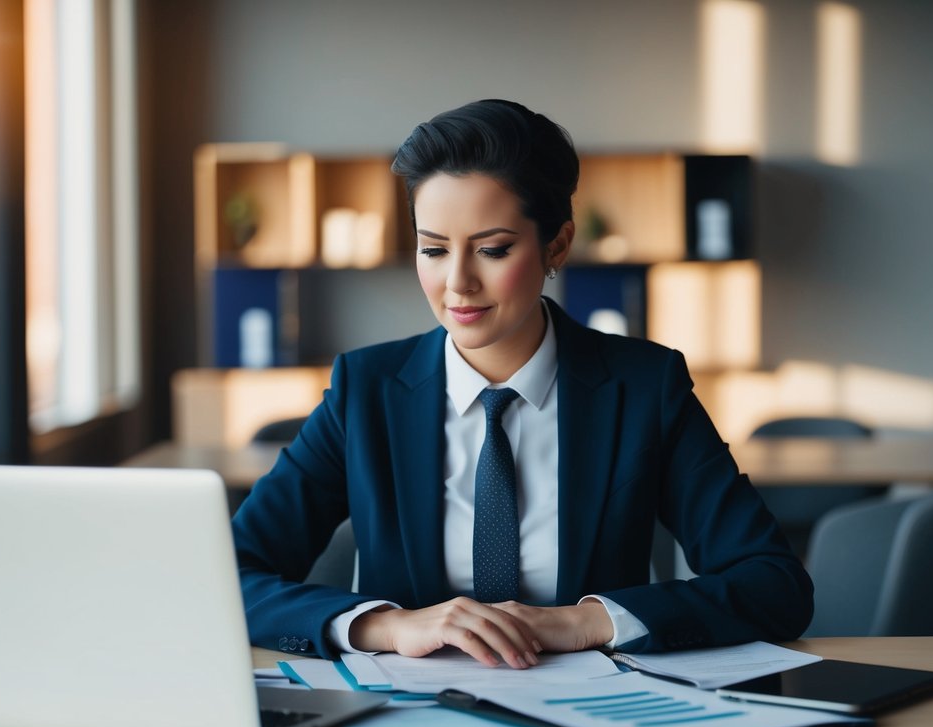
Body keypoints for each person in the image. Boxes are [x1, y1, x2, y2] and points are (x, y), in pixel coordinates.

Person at [234, 99, 812, 668]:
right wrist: (386, 625)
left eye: (492, 249)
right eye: (433, 249)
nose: (457, 282)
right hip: (411, 716)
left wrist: (584, 622)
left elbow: (774, 584)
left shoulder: (643, 388)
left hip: (599, 712)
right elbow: (229, 573)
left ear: (557, 244)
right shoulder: (366, 390)